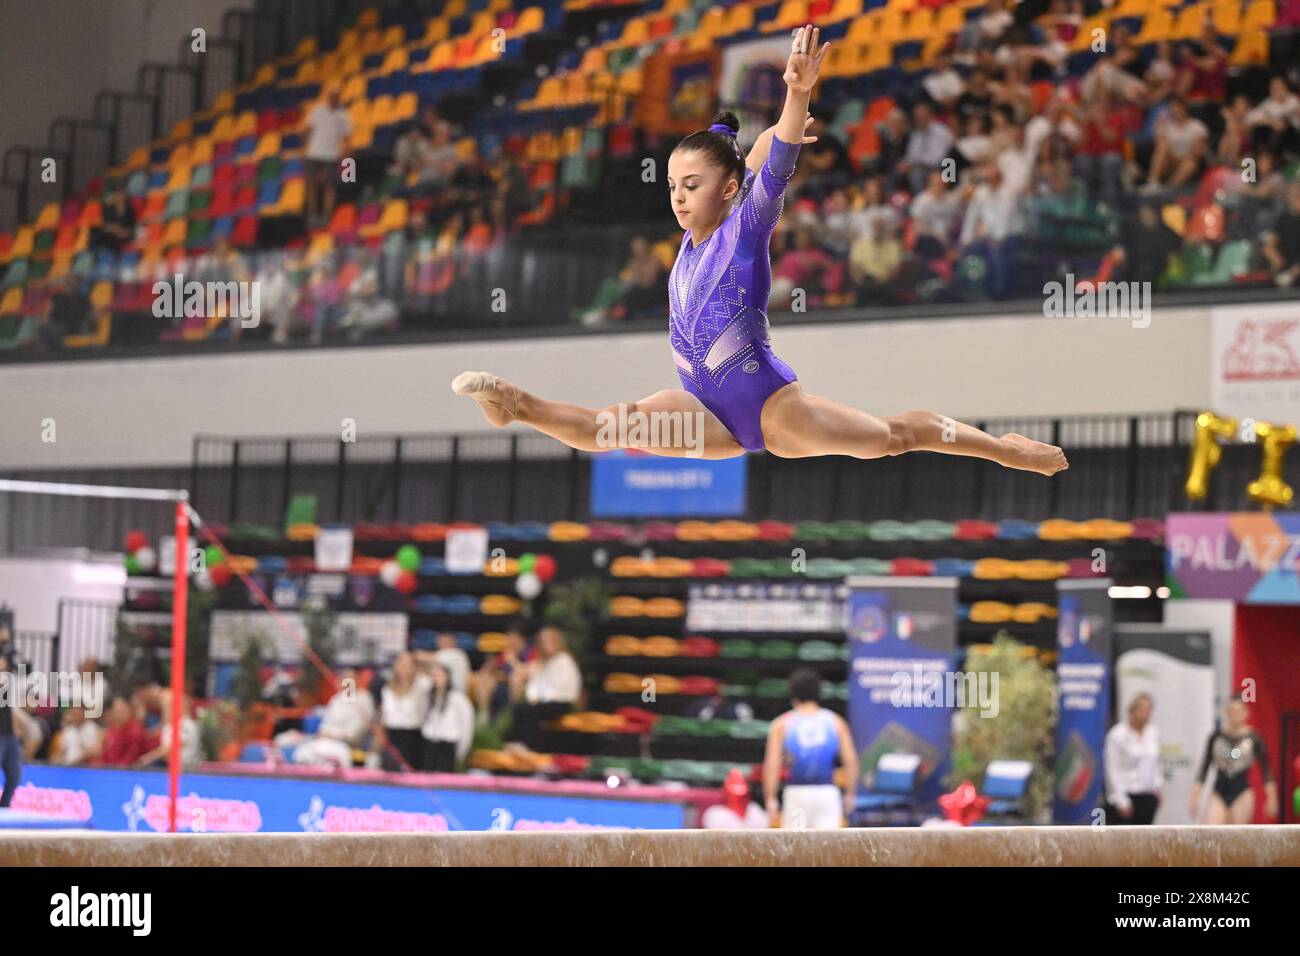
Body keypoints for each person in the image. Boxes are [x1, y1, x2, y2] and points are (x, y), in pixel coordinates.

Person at [454, 24, 1067, 475]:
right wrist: (760, 135)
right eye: (671, 186)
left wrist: (795, 99)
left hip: (773, 410)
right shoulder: (689, 249)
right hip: (705, 411)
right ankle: (515, 404)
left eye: (690, 186)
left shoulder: (744, 229)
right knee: (608, 425)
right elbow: (746, 160)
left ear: (725, 189)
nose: (677, 198)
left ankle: (1002, 449)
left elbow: (772, 167)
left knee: (895, 437)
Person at [762, 668, 858, 829]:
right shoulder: (835, 722)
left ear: (792, 693)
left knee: (795, 851)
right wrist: (850, 794)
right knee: (829, 850)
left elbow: (772, 765)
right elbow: (851, 761)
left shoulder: (782, 723)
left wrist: (770, 798)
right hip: (827, 795)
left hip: (797, 795)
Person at [1191, 696, 1279, 824]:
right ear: (1226, 712)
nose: (1235, 714)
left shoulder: (1254, 738)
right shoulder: (1216, 737)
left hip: (1242, 791)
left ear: (1246, 713)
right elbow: (1204, 767)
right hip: (1219, 791)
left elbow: (1266, 769)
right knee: (1211, 833)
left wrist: (1271, 797)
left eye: (1238, 711)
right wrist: (1195, 793)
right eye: (1232, 711)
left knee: (1237, 835)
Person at [508, 625, 581, 750]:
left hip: (561, 702)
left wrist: (540, 698)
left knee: (529, 711)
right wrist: (534, 697)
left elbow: (560, 689)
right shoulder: (541, 662)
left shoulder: (564, 660)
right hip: (543, 702)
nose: (545, 645)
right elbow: (535, 685)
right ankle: (514, 743)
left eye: (548, 641)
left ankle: (529, 747)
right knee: (520, 709)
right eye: (542, 642)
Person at [1103, 693, 1162, 825]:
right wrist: (1121, 800)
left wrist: (1158, 786)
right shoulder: (1117, 735)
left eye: (1149, 710)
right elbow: (1112, 769)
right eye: (1143, 710)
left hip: (1147, 796)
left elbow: (1154, 763)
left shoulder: (1153, 733)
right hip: (1127, 794)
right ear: (1133, 710)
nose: (1146, 714)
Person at [304, 88, 352, 223]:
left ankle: (326, 216)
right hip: (313, 153)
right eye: (331, 96)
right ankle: (312, 214)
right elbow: (308, 130)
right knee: (311, 185)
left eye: (335, 96)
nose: (333, 99)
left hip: (331, 156)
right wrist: (304, 150)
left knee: (329, 187)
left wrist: (347, 160)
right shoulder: (317, 111)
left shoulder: (344, 115)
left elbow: (347, 138)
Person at [377, 652, 430, 771]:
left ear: (413, 667)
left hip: (413, 738)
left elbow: (434, 679)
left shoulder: (421, 685)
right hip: (392, 737)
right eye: (401, 664)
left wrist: (424, 660)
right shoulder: (387, 689)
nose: (404, 668)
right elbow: (384, 717)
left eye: (408, 665)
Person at [419, 661, 474, 771]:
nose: (438, 679)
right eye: (435, 676)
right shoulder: (429, 697)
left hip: (447, 746)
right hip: (430, 743)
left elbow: (467, 725)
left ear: (448, 677)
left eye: (441, 675)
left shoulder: (458, 699)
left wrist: (462, 751)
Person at [97, 695, 150, 767]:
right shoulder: (112, 730)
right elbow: (105, 756)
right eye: (116, 711)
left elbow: (130, 760)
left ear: (129, 710)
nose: (119, 714)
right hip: (109, 770)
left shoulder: (135, 731)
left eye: (122, 710)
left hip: (128, 773)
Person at [0, 649, 21, 806]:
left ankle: (4, 806)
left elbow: (10, 708)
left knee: (14, 775)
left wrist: (16, 730)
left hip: (9, 736)